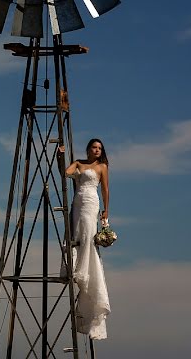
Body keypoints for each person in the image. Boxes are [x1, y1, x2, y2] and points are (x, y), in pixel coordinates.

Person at [60, 138, 111, 340]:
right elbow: (65, 173)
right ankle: (75, 263)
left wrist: (107, 210)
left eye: (99, 148)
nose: (97, 150)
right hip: (78, 202)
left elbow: (105, 189)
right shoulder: (80, 163)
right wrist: (60, 156)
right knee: (76, 233)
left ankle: (86, 268)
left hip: (91, 202)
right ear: (89, 149)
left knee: (88, 235)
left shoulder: (102, 167)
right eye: (94, 147)